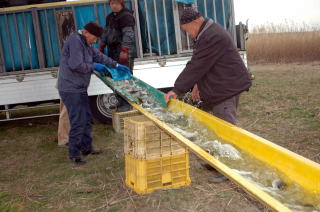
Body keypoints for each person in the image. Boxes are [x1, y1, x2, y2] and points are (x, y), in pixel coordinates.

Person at [164, 8, 252, 183]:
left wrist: (177, 89)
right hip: (220, 84)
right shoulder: (206, 32)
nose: (188, 34)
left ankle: (229, 168)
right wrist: (197, 85)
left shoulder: (212, 36)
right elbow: (206, 63)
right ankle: (216, 161)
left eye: (187, 30)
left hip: (227, 88)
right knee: (214, 127)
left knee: (226, 128)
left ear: (195, 22)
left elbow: (196, 65)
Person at [57, 21, 131, 164]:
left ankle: (87, 148)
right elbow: (76, 65)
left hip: (79, 87)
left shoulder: (86, 43)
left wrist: (116, 65)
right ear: (86, 33)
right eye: (95, 38)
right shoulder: (75, 41)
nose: (95, 41)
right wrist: (94, 66)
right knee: (78, 121)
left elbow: (99, 56)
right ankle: (74, 154)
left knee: (86, 118)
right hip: (70, 89)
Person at [100, 0, 136, 111]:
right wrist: (102, 44)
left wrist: (124, 50)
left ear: (121, 3)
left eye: (116, 3)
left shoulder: (126, 16)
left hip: (124, 52)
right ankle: (120, 102)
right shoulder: (109, 17)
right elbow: (106, 32)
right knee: (114, 77)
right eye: (112, 3)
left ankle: (127, 104)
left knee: (125, 77)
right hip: (113, 51)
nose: (114, 6)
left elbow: (128, 34)